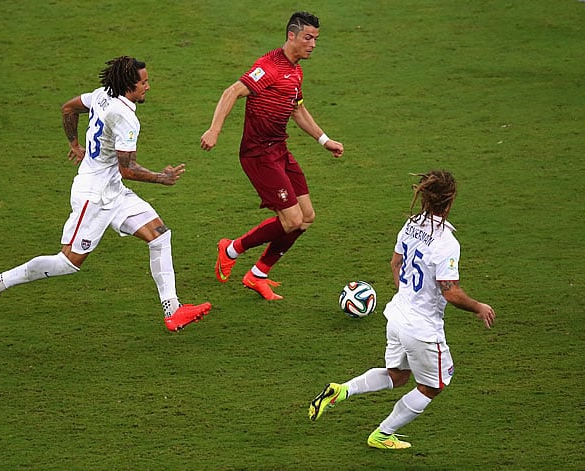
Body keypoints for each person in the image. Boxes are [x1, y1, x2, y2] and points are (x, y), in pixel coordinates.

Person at [0, 56, 211, 332]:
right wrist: (163, 178)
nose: (148, 87)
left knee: (159, 236)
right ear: (128, 85)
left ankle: (173, 310)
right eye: (143, 82)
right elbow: (128, 169)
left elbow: (68, 108)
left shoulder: (101, 95)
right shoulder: (126, 117)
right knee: (67, 262)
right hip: (94, 197)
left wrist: (75, 144)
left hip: (113, 191)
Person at [308, 170, 496, 449]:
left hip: (396, 315)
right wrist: (478, 307)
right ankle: (383, 434)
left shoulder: (410, 225)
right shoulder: (447, 243)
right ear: (449, 202)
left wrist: (405, 292)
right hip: (422, 328)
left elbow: (395, 263)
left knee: (398, 376)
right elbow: (451, 292)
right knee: (434, 386)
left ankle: (342, 390)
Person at [200, 11, 344, 300]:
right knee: (290, 219)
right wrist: (214, 130)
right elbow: (232, 92)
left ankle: (258, 274)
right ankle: (230, 249)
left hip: (279, 150)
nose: (313, 44)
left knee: (306, 218)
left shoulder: (296, 71)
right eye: (308, 38)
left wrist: (324, 139)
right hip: (258, 154)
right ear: (291, 35)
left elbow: (297, 109)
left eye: (316, 39)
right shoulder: (269, 67)